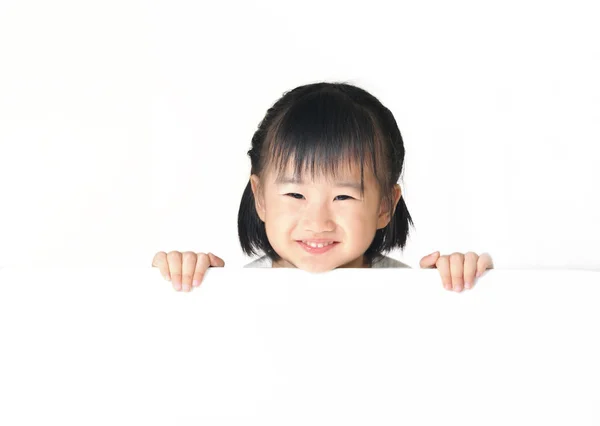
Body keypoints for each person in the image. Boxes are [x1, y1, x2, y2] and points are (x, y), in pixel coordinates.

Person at [152, 82, 493, 293]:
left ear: (385, 206)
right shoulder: (235, 291)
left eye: (343, 196)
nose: (318, 222)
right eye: (296, 194)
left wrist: (462, 284)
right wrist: (183, 279)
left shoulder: (408, 290)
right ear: (260, 198)